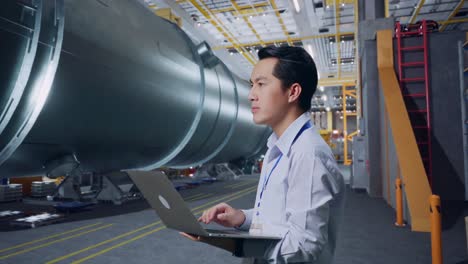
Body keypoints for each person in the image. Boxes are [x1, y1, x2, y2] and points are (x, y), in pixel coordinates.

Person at [181, 46, 345, 264]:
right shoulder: (278, 148)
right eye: (252, 85)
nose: (251, 95)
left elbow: (304, 245)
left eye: (261, 84)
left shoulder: (308, 155)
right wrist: (241, 218)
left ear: (293, 92)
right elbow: (277, 221)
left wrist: (234, 243)